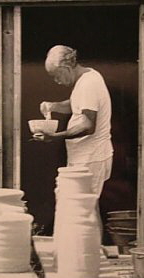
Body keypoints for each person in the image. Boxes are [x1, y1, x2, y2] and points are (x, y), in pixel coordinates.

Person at [35, 45, 113, 197]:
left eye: (56, 75)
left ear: (66, 68)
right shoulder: (86, 78)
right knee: (77, 205)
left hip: (91, 157)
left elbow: (88, 126)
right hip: (83, 156)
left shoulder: (88, 84)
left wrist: (55, 137)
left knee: (81, 207)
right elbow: (76, 105)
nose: (56, 81)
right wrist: (53, 106)